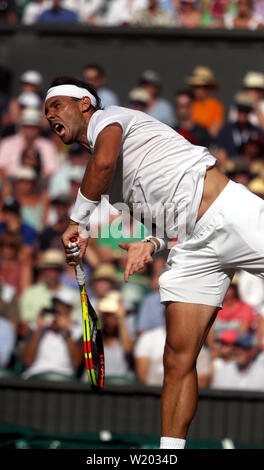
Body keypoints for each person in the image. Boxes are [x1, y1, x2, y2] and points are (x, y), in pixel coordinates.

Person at [44, 75, 264, 450]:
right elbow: (167, 206)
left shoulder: (110, 118)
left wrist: (76, 220)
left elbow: (105, 161)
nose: (49, 115)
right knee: (177, 356)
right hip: (193, 247)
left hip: (230, 213)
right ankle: (169, 455)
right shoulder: (110, 185)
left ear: (84, 104)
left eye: (55, 105)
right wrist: (152, 240)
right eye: (47, 110)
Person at [22, 288, 83, 379]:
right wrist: (38, 331)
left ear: (70, 309)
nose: (58, 308)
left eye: (62, 305)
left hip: (64, 378)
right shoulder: (37, 327)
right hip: (36, 376)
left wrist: (66, 331)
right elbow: (27, 360)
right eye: (55, 304)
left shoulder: (78, 332)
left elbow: (77, 361)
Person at [217, 91, 264, 159]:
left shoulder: (256, 131)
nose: (242, 114)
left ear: (249, 113)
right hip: (229, 164)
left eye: (245, 111)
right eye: (240, 111)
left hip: (250, 165)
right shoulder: (225, 131)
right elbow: (221, 151)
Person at [186, 66, 224, 138]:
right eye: (195, 86)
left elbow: (215, 131)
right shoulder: (188, 103)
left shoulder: (216, 106)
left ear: (208, 88)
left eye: (200, 86)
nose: (197, 89)